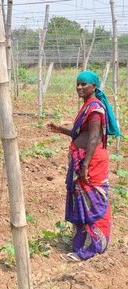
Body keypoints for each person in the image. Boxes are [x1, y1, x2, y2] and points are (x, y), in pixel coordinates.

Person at [48, 70, 121, 261]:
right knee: (81, 199)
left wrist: (86, 165)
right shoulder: (87, 105)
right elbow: (83, 133)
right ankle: (82, 243)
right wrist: (61, 130)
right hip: (83, 158)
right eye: (78, 84)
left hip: (92, 161)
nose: (80, 87)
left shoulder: (95, 107)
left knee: (92, 200)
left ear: (94, 87)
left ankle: (94, 247)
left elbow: (95, 136)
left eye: (84, 84)